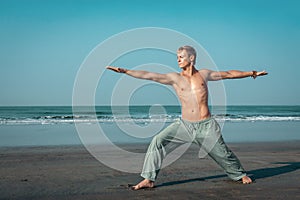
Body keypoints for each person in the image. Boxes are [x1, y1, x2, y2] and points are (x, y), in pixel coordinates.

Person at [106, 45, 268, 190]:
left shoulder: (204, 75)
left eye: (181, 57)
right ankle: (148, 179)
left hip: (206, 125)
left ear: (191, 58)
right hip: (184, 125)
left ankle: (240, 175)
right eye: (177, 57)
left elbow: (229, 74)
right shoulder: (175, 78)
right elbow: (149, 75)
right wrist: (125, 70)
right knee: (157, 140)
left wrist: (252, 73)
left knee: (223, 153)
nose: (178, 60)